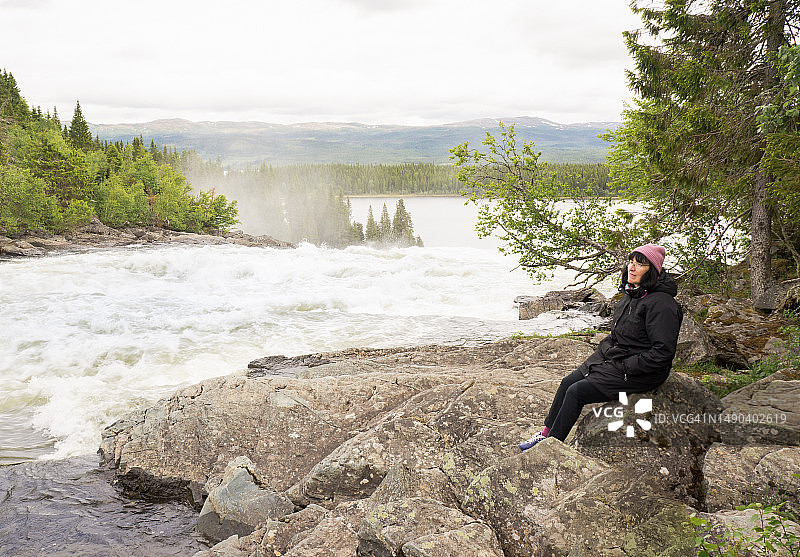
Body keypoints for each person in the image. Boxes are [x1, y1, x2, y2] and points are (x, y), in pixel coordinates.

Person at [519, 243, 683, 451]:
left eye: (639, 265)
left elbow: (662, 353)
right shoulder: (632, 294)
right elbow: (618, 336)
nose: (631, 268)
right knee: (567, 381)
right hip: (617, 360)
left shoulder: (662, 304)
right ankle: (545, 433)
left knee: (576, 392)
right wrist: (604, 355)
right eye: (630, 262)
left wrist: (625, 367)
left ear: (653, 270)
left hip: (641, 371)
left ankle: (551, 445)